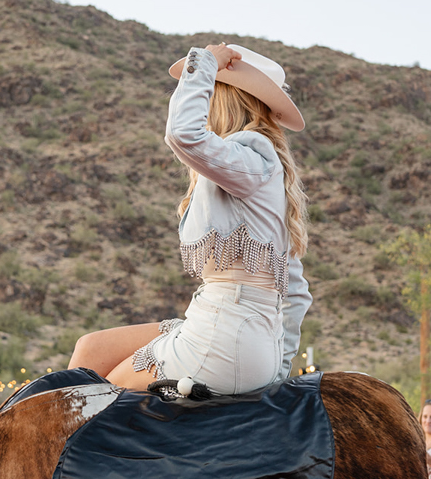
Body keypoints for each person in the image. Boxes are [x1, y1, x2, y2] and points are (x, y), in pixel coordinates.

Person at [70, 43, 311, 395]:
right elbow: (297, 293)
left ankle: (55, 450)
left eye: (207, 92)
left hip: (226, 337)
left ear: (221, 98)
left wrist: (205, 63)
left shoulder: (251, 155)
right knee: (91, 348)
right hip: (242, 336)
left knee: (97, 394)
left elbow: (183, 133)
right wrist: (277, 367)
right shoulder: (259, 167)